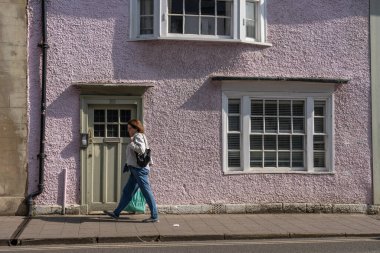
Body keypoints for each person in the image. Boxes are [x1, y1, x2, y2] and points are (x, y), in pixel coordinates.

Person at [104, 119, 159, 223]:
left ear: (136, 128)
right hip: (135, 169)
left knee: (146, 192)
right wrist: (128, 164)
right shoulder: (140, 136)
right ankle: (116, 213)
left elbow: (141, 150)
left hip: (139, 170)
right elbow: (134, 155)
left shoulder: (137, 136)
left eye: (130, 128)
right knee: (127, 192)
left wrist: (131, 143)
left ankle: (155, 216)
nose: (128, 130)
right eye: (128, 128)